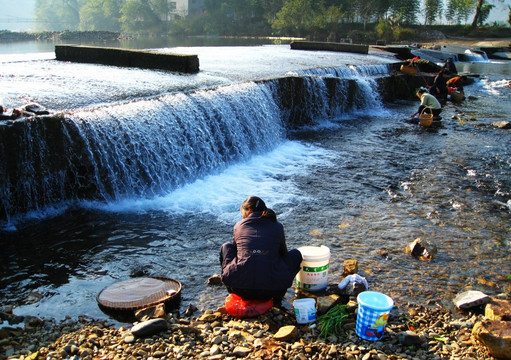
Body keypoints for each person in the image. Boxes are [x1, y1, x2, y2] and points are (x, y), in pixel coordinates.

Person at [219, 196, 303, 305]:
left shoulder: (238, 226)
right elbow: (283, 253)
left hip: (239, 289)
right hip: (273, 290)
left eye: (242, 213)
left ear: (248, 211)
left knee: (227, 246)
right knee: (296, 254)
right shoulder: (277, 226)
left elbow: (236, 251)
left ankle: (232, 290)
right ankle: (277, 301)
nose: (242, 216)